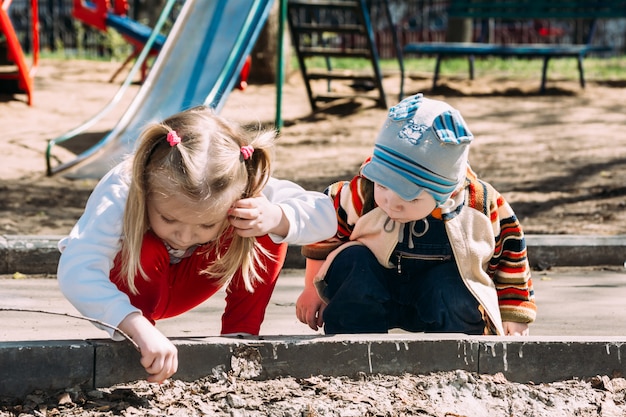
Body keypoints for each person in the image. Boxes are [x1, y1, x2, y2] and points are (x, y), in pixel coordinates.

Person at [57, 105, 337, 383]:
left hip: (194, 280)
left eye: (205, 225)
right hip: (134, 286)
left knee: (263, 217)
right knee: (145, 246)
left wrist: (275, 217)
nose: (184, 237)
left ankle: (239, 338)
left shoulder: (239, 181)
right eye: (168, 219)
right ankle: (144, 346)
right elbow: (77, 270)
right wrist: (134, 324)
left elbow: (326, 215)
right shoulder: (124, 188)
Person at [296, 93, 536, 337]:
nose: (391, 203)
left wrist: (513, 311)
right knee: (353, 261)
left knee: (454, 288)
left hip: (440, 296)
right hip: (372, 287)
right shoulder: (363, 192)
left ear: (447, 192)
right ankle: (353, 347)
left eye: (409, 197)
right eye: (384, 186)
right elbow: (321, 230)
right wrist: (311, 288)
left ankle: (457, 355)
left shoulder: (478, 205)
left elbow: (511, 251)